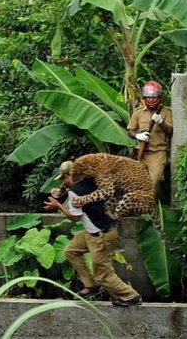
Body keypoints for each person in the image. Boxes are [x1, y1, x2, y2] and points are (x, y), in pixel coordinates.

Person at [44, 161, 142, 306]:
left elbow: (75, 217)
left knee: (102, 274)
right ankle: (92, 286)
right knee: (71, 251)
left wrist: (57, 205)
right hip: (96, 231)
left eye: (64, 178)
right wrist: (63, 191)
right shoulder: (95, 181)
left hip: (100, 235)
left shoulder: (75, 191)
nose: (64, 182)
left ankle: (130, 296)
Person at [127, 80, 173, 195]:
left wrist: (161, 122)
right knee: (137, 181)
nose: (151, 100)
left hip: (158, 152)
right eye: (148, 97)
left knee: (154, 181)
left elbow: (170, 131)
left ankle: (153, 204)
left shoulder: (166, 112)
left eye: (154, 97)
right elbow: (130, 131)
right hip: (141, 151)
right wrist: (138, 135)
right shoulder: (138, 112)